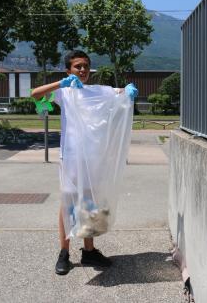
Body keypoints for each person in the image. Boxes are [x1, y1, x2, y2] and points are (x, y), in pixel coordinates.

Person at [31, 50, 138, 275]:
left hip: (94, 159)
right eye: (78, 66)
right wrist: (62, 83)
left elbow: (119, 93)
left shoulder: (97, 91)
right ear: (68, 70)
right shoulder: (64, 92)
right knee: (68, 204)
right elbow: (35, 95)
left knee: (90, 203)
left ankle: (89, 251)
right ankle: (64, 252)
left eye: (86, 66)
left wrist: (127, 92)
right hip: (71, 158)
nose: (82, 70)